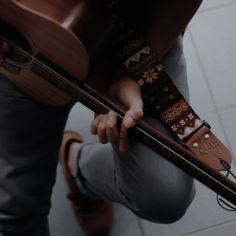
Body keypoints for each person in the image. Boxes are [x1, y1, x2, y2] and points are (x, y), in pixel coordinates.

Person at [0, 6, 195, 236]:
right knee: (15, 217)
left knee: (164, 193)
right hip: (20, 34)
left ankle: (77, 167)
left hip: (132, 28)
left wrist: (129, 76)